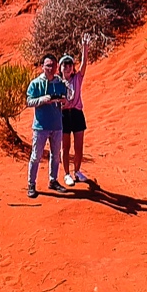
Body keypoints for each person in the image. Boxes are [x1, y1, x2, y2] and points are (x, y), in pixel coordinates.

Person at [24, 54, 69, 198]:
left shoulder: (60, 83)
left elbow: (66, 100)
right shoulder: (35, 83)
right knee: (36, 156)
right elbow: (29, 102)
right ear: (42, 66)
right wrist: (44, 100)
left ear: (57, 67)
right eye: (48, 65)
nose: (50, 68)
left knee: (55, 156)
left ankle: (53, 180)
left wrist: (63, 100)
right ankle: (31, 184)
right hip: (40, 126)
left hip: (57, 125)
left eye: (53, 66)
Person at [59, 38, 93, 187]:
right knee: (65, 147)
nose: (67, 67)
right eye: (64, 65)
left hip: (77, 114)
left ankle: (77, 171)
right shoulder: (57, 82)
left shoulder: (77, 78)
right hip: (64, 115)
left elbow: (84, 64)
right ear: (60, 67)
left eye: (70, 64)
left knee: (79, 146)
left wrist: (85, 48)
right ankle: (67, 174)